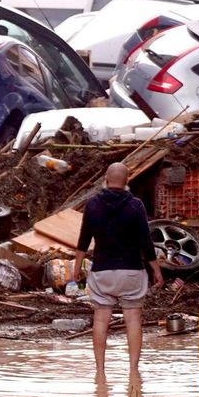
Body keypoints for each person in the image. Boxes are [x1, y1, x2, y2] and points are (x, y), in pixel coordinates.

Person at [76, 162, 164, 385]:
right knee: (133, 319)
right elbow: (146, 241)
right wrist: (156, 270)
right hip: (131, 271)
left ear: (106, 178)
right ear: (127, 180)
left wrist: (76, 268)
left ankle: (100, 371)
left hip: (102, 271)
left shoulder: (93, 204)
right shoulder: (136, 205)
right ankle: (134, 371)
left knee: (101, 318)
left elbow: (84, 238)